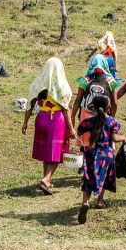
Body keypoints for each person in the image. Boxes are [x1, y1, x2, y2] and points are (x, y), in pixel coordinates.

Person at [22, 58, 76, 195]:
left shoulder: (38, 84)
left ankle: (47, 180)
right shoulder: (61, 87)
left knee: (48, 152)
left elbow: (30, 103)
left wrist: (25, 122)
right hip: (56, 120)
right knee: (58, 153)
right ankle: (46, 178)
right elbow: (66, 109)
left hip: (41, 118)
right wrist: (71, 128)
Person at [76, 95, 126, 224]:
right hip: (106, 154)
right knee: (103, 178)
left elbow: (79, 131)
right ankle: (99, 201)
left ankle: (85, 202)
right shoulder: (112, 122)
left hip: (91, 153)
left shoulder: (89, 121)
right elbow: (114, 138)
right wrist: (124, 138)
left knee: (88, 178)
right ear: (108, 107)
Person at [72, 54, 120, 151]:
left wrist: (72, 116)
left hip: (86, 115)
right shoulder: (110, 81)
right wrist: (111, 117)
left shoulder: (85, 80)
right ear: (105, 65)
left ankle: (86, 163)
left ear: (91, 64)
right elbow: (114, 102)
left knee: (86, 143)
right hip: (104, 115)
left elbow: (78, 100)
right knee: (103, 141)